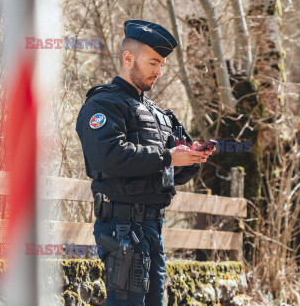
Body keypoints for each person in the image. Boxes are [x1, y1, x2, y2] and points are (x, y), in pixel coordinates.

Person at [76, 20, 215, 305]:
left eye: (162, 64)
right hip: (122, 226)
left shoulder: (159, 115)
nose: (159, 71)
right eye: (153, 62)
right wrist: (168, 157)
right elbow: (110, 156)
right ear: (128, 58)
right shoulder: (103, 104)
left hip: (154, 226)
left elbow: (172, 174)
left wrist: (192, 158)